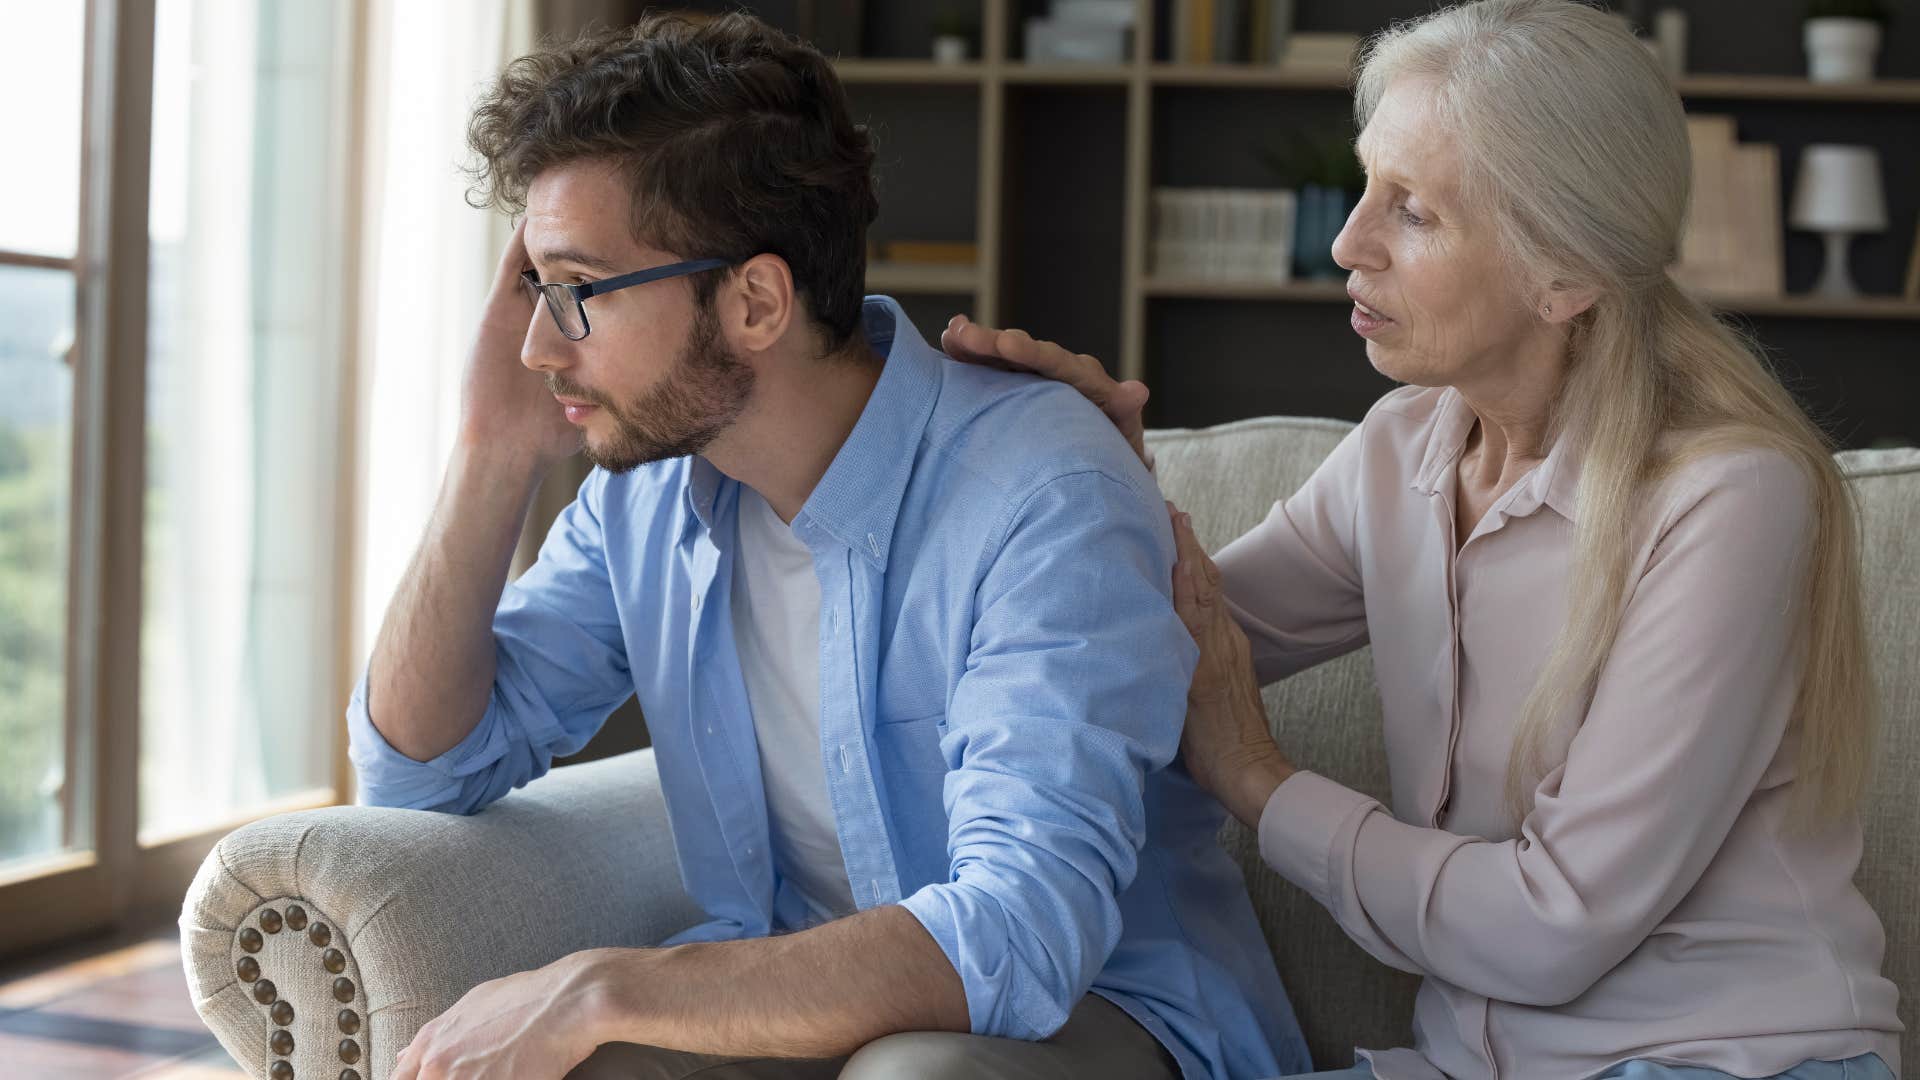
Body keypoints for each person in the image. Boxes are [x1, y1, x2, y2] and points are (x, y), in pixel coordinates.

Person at [941, 1, 1902, 1077]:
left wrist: (1258, 779)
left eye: (1415, 212)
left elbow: (1553, 927)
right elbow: (1161, 640)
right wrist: (1096, 475)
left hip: (1728, 1062)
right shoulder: (1402, 451)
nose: (1350, 243)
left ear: (1565, 276)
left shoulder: (1729, 499)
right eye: (1366, 186)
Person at [349, 12, 1310, 1080]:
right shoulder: (654, 499)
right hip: (802, 1000)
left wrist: (600, 984)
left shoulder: (1045, 494)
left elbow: (1020, 938)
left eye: (575, 293)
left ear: (755, 301)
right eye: (536, 291)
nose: (538, 345)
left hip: (1099, 1016)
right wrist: (491, 454)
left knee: (913, 1076)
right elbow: (420, 770)